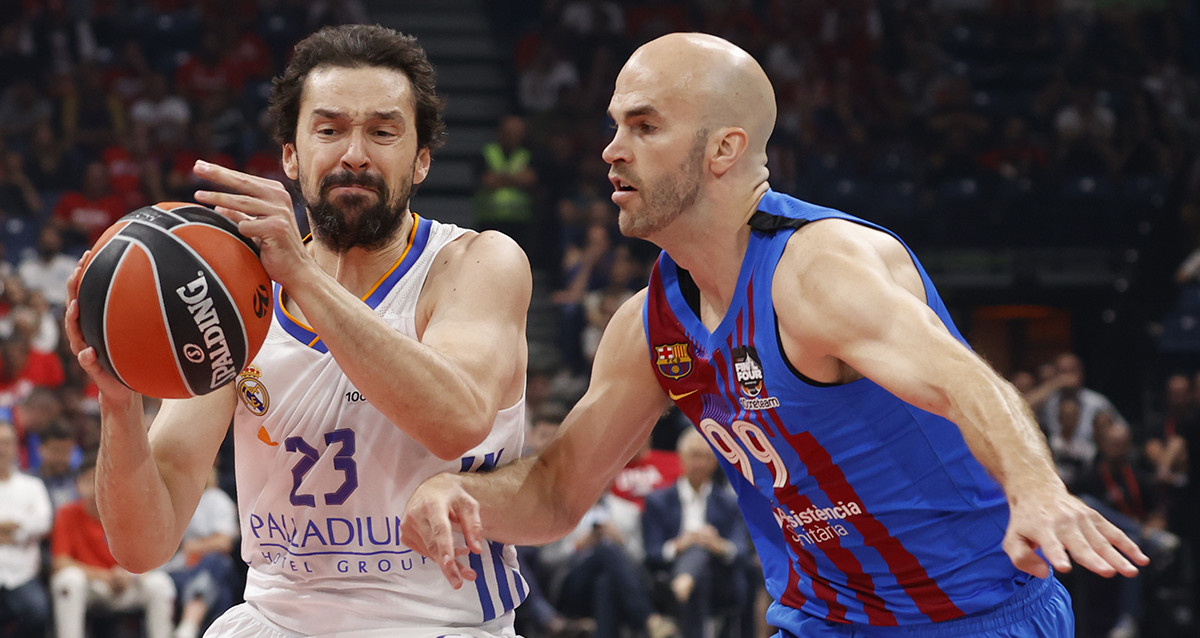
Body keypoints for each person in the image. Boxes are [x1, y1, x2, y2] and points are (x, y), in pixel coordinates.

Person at [401, 32, 1147, 637]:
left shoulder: (818, 267)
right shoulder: (648, 325)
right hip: (817, 623)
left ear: (723, 150)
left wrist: (1038, 489)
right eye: (614, 124)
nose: (611, 149)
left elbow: (964, 379)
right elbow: (560, 492)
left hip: (971, 617)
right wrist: (451, 493)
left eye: (645, 125)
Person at [64, 23, 533, 638]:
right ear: (291, 154)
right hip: (275, 620)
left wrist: (306, 280)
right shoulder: (239, 298)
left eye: (383, 132)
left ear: (422, 160)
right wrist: (119, 402)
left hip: (437, 621)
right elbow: (144, 544)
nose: (355, 153)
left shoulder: (477, 264)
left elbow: (457, 418)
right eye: (330, 129)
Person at [50, 455, 176, 638]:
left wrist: (130, 576)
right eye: (88, 481)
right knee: (67, 581)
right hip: (91, 586)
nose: (94, 488)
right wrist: (103, 576)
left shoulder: (127, 512)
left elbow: (148, 559)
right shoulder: (67, 513)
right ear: (77, 484)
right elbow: (60, 562)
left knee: (161, 584)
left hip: (124, 585)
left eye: (100, 481)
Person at [642, 429, 749, 638]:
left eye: (706, 457)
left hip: (720, 578)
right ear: (681, 457)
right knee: (697, 554)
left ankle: (686, 579)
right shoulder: (658, 501)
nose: (700, 463)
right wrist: (681, 544)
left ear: (715, 462)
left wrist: (715, 544)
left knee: (701, 551)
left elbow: (740, 550)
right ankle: (687, 579)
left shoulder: (728, 503)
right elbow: (652, 552)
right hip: (668, 574)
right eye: (694, 455)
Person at [0, 421, 53, 638]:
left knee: (37, 612)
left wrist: (14, 531)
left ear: (15, 447)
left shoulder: (32, 486)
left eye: (6, 442)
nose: (2, 449)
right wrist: (20, 525)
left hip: (22, 574)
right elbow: (30, 523)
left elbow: (43, 522)